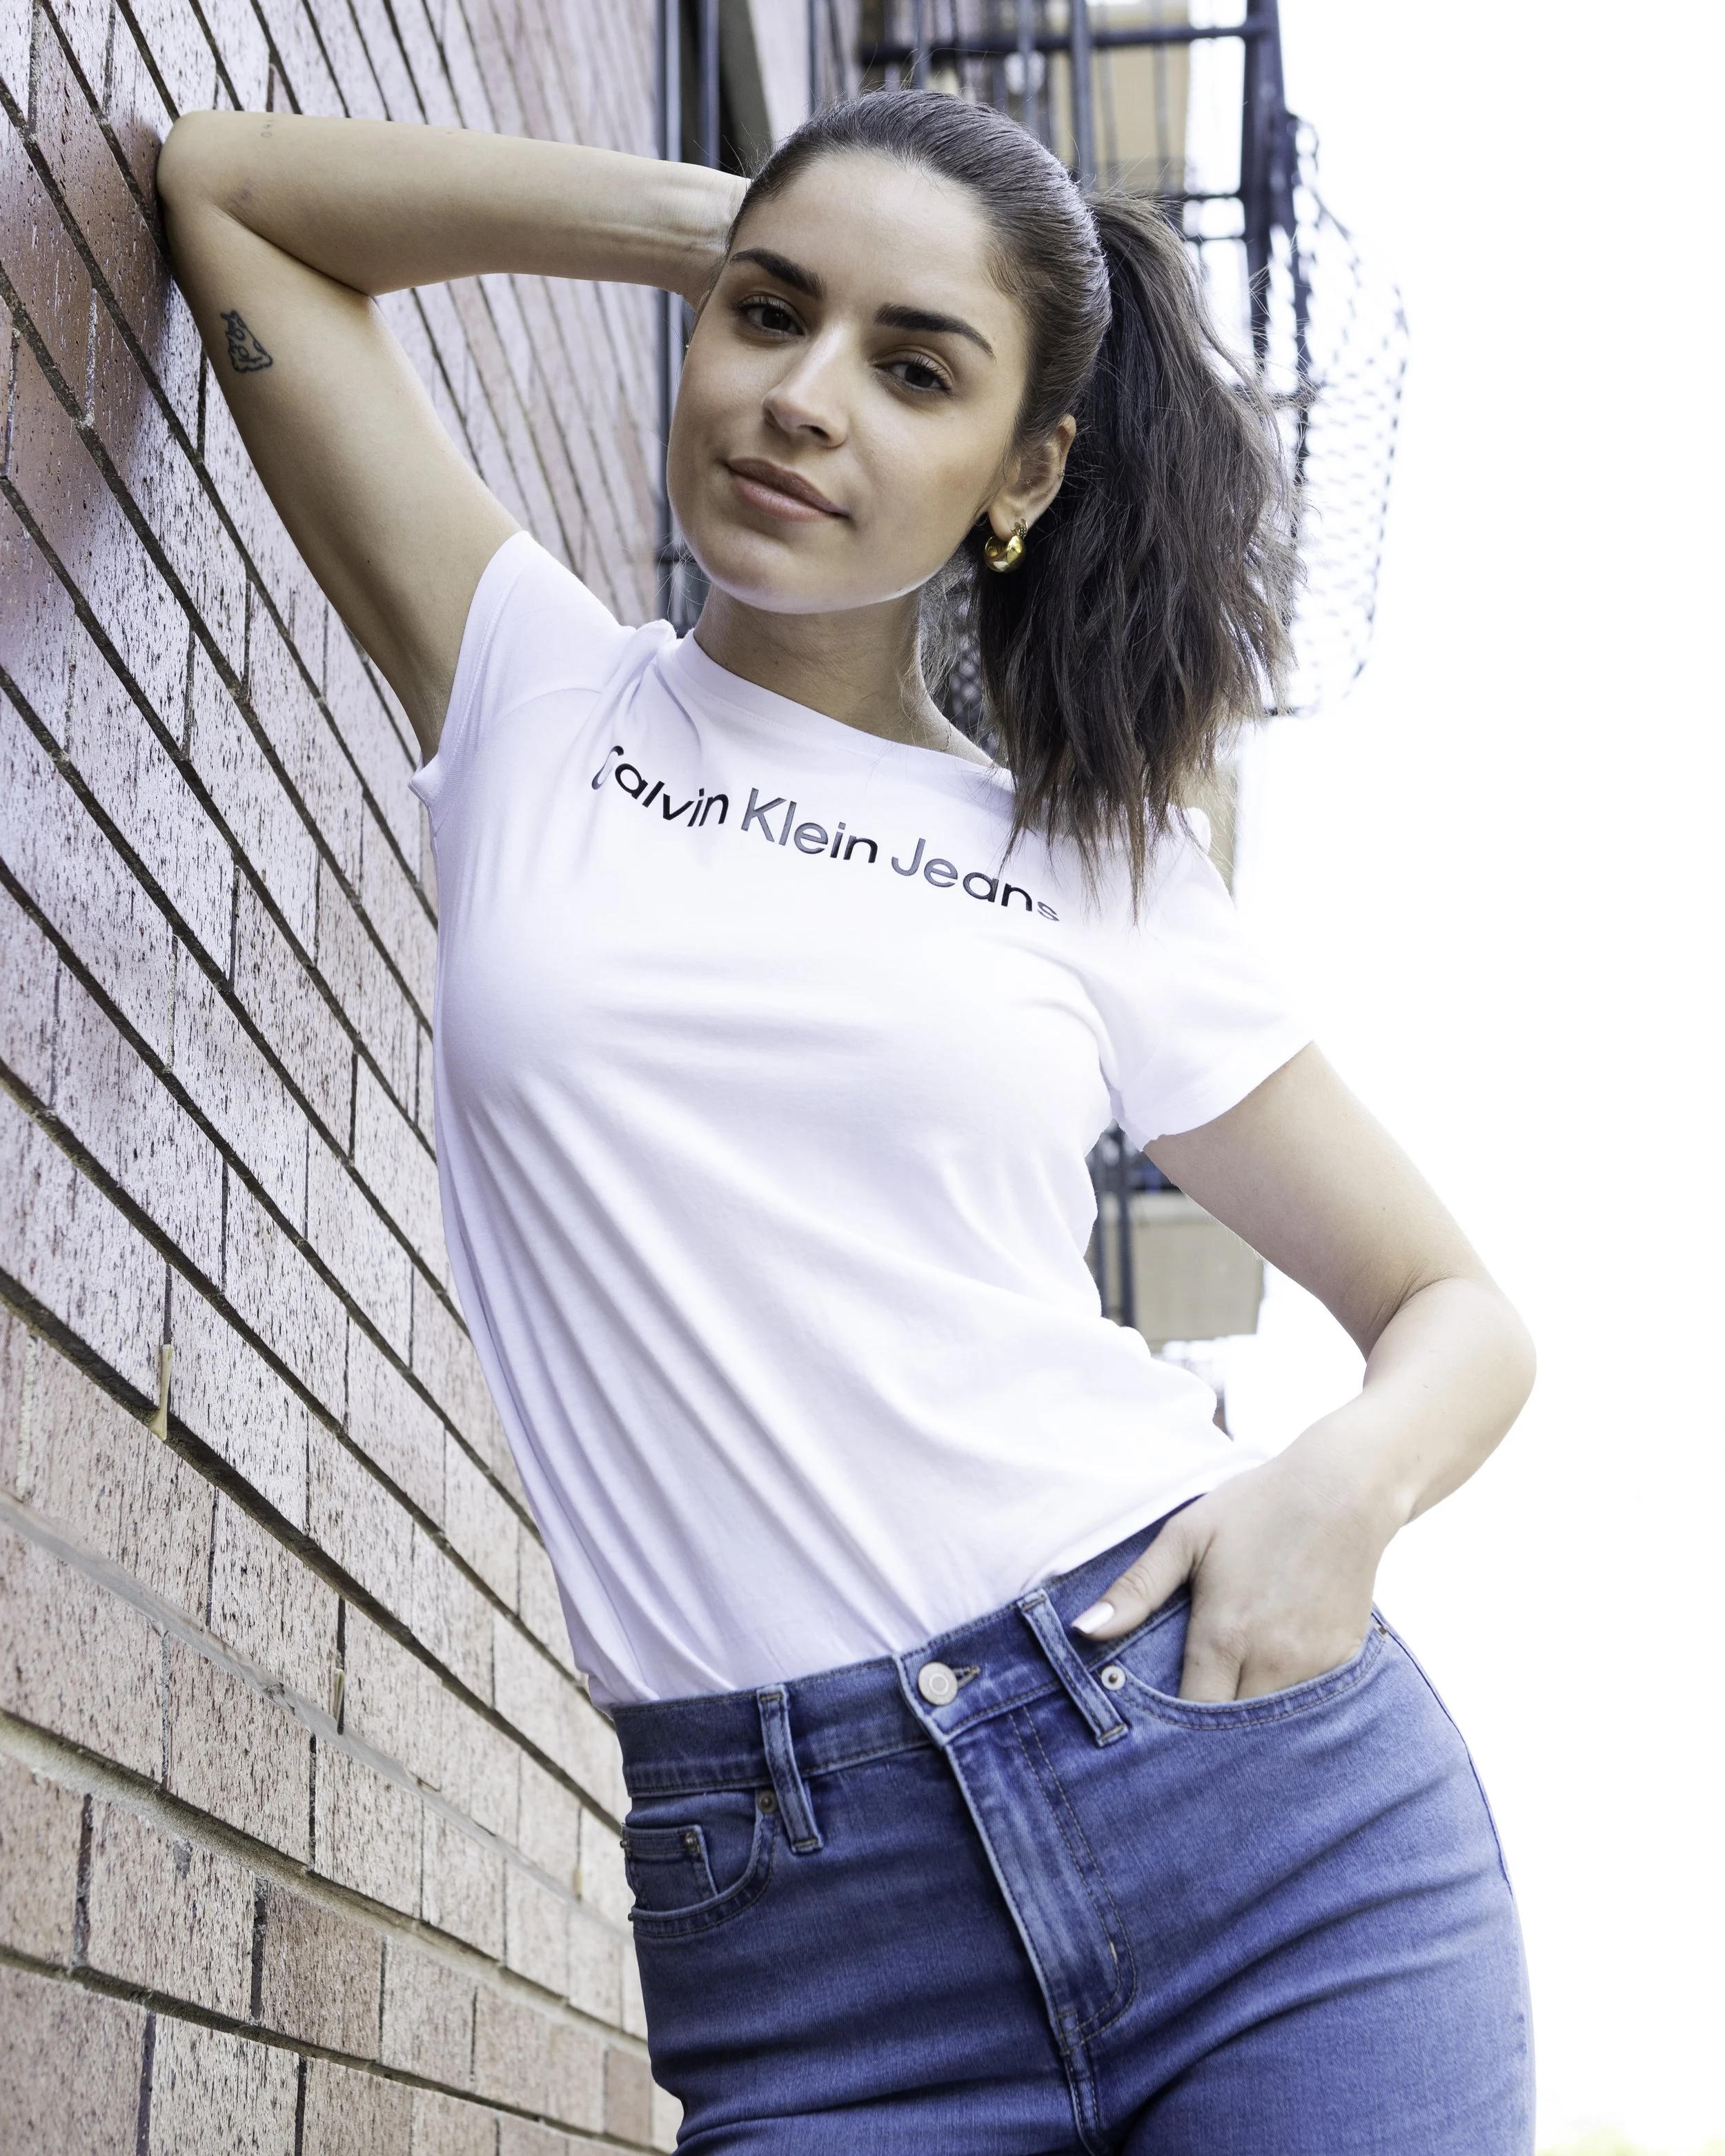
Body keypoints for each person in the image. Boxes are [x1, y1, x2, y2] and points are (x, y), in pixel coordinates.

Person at [158, 88, 1535, 2154]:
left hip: (1247, 1808)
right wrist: (726, 220)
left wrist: (1328, 1497)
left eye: (912, 370)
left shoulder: (1091, 863)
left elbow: (1450, 1303)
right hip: (801, 1926)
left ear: (1025, 469)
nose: (806, 398)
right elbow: (231, 196)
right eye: (766, 320)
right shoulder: (539, 689)